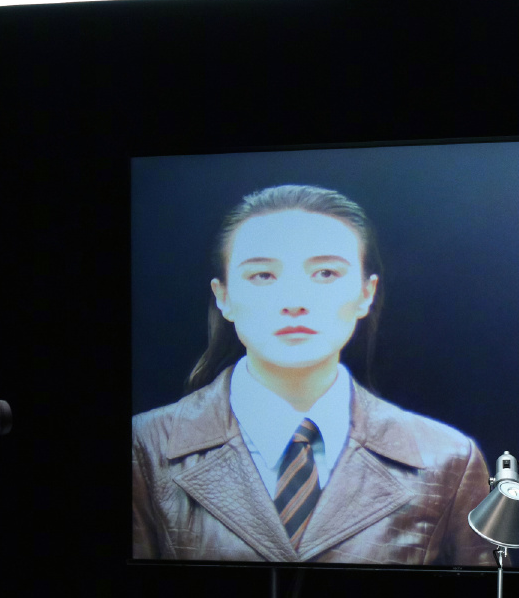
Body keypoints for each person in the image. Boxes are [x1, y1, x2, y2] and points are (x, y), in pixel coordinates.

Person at [132, 184, 493, 566]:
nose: (294, 302)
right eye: (263, 275)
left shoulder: (447, 458)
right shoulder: (144, 447)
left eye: (325, 273)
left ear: (366, 293)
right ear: (223, 296)